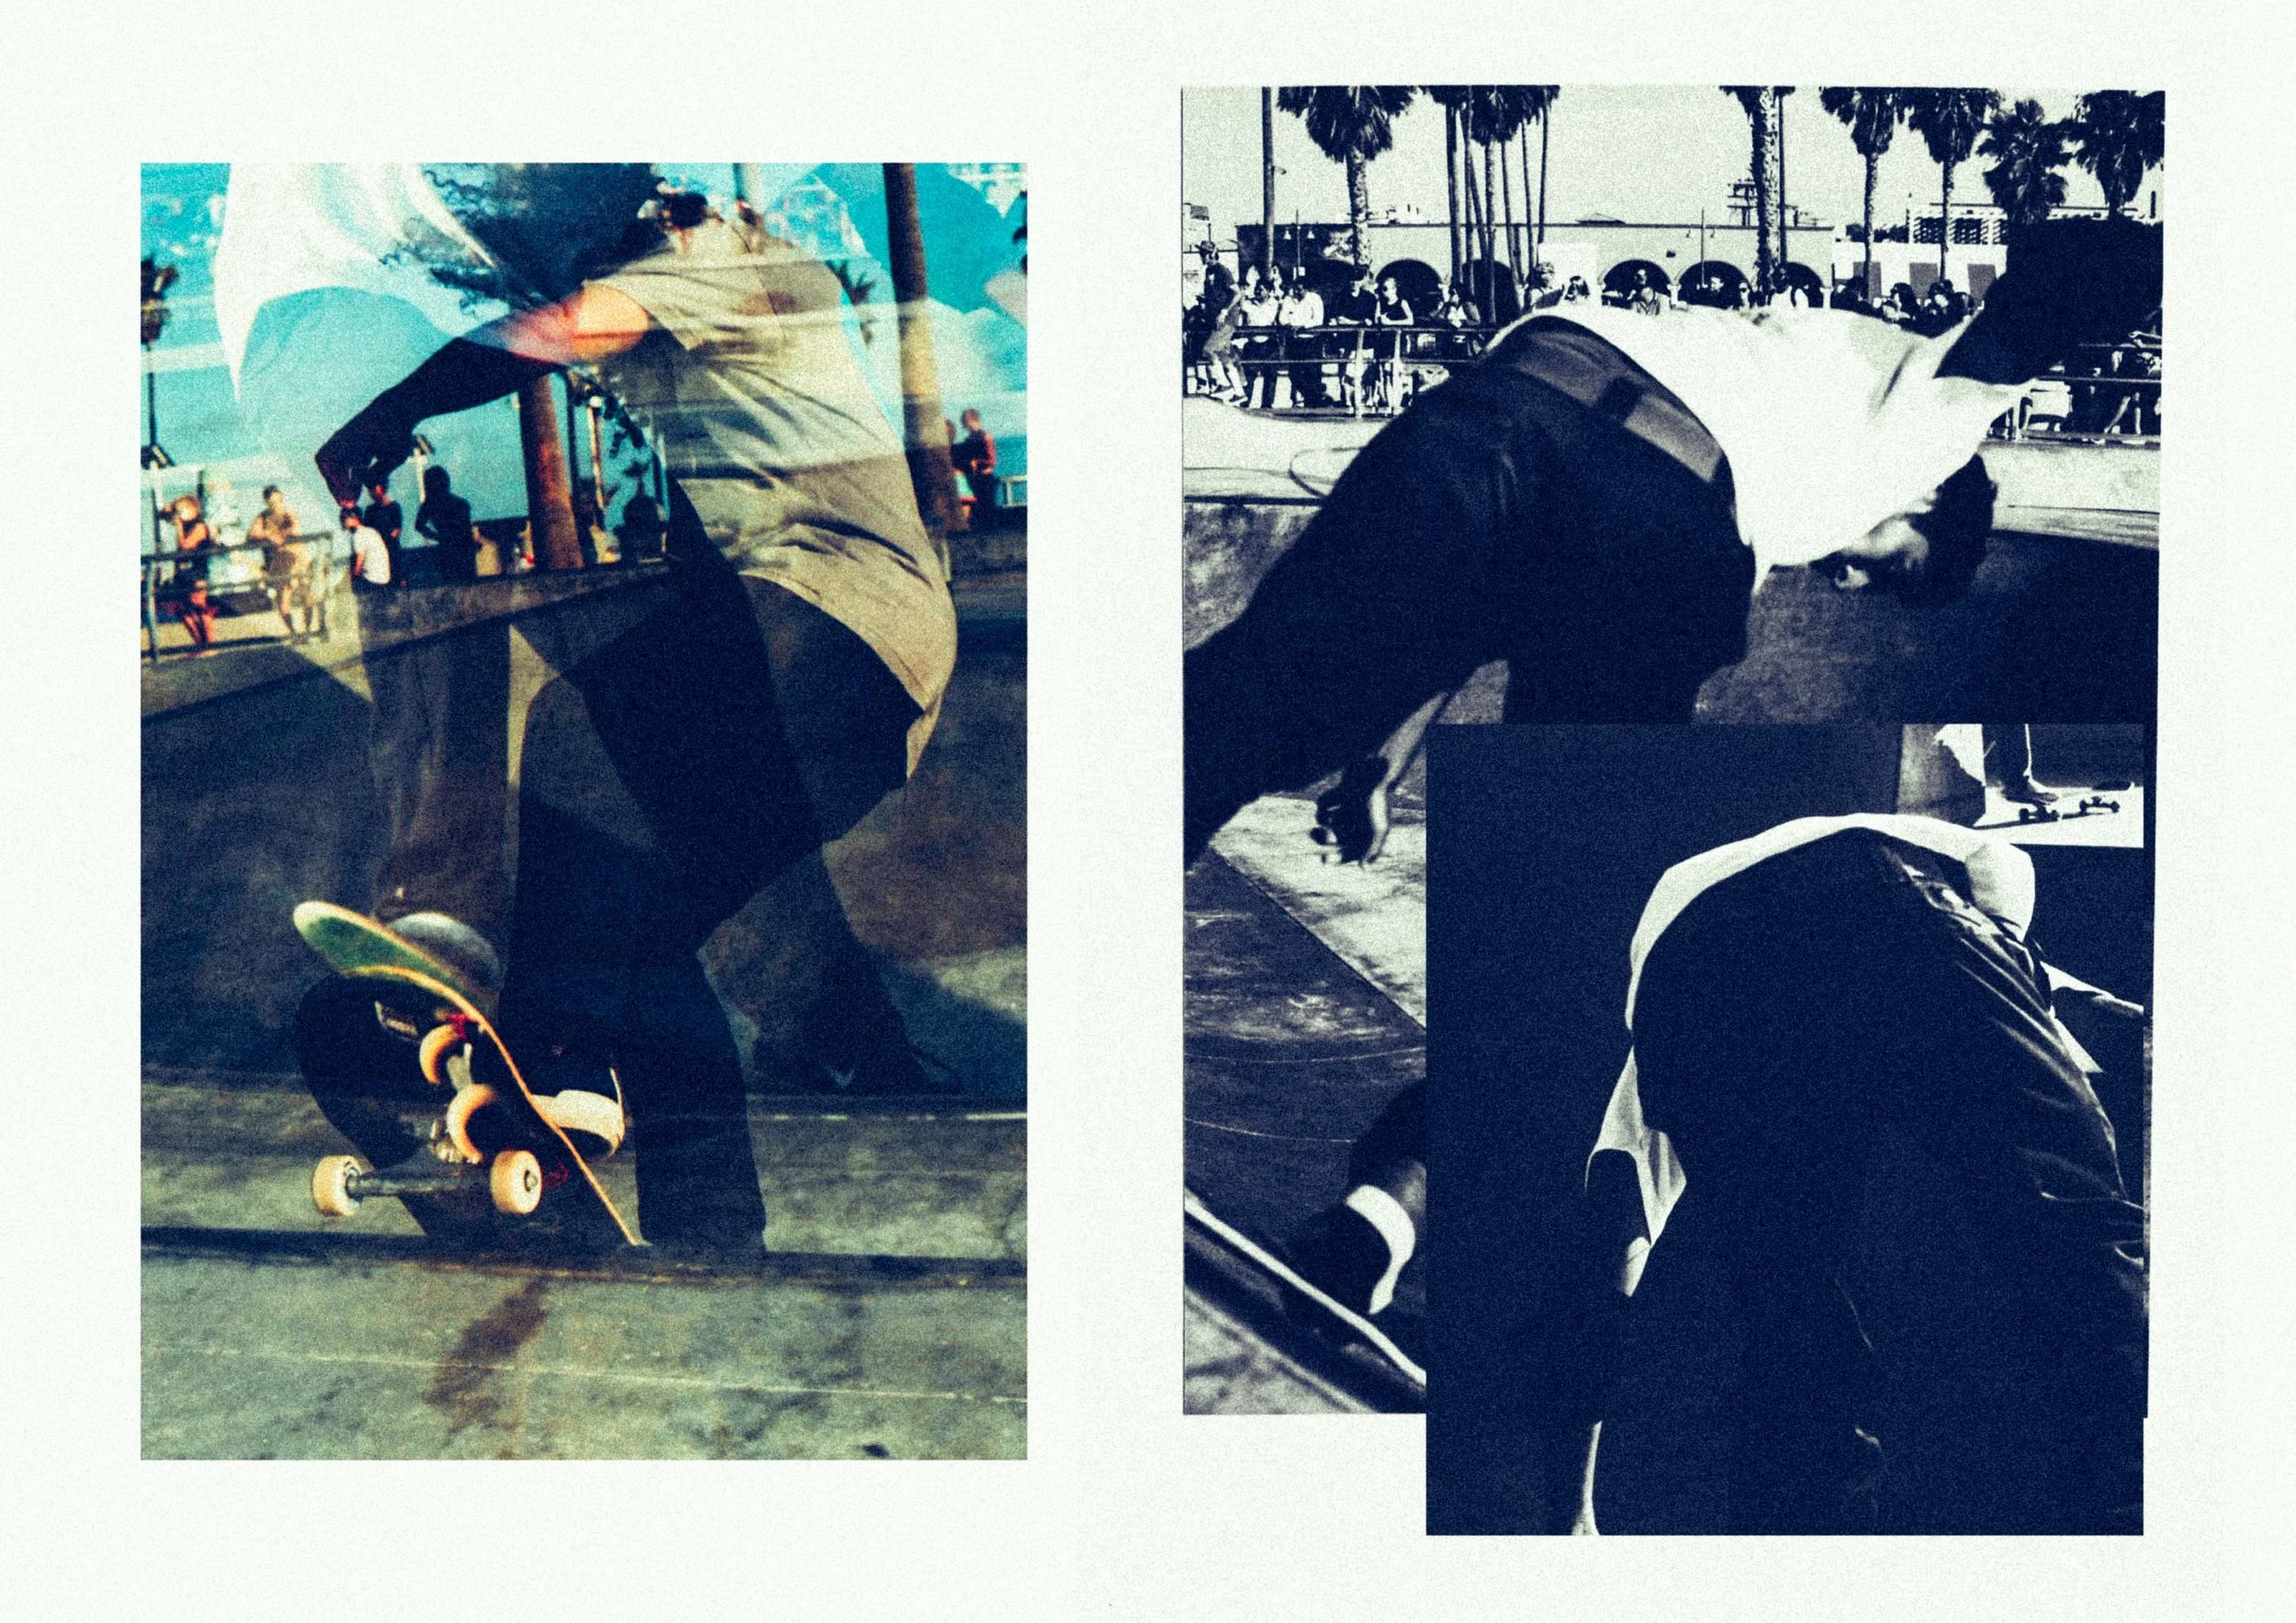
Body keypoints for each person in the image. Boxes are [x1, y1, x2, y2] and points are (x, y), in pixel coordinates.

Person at [301, 175, 960, 1257]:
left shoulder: (719, 252)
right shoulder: (695, 304)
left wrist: (393, 406)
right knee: (644, 922)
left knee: (576, 732)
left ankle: (560, 1053)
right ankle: (709, 1230)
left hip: (847, 618)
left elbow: (558, 329)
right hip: (837, 652)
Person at [1186, 215, 2165, 862]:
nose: (1847, 584)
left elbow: (1473, 611)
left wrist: (1381, 764)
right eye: (1890, 565)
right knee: (1594, 824)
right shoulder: (1947, 423)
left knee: (1259, 703)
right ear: (1927, 501)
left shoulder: (1821, 344)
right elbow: (2023, 323)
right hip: (1655, 510)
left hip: (1499, 405)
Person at [1546, 816, 2145, 1534]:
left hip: (1686, 975)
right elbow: (1999, 873)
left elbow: (1606, 1265)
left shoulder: (1654, 1073)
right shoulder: (1987, 902)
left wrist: (1570, 1514)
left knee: (1795, 1324)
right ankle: (2137, 1512)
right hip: (1870, 892)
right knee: (2073, 1226)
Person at [247, 484, 316, 641]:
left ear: (281, 498)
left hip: (297, 557)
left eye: (277, 501)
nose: (275, 505)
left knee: (306, 593)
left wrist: (274, 534)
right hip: (279, 560)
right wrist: (268, 535)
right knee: (283, 599)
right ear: (266, 502)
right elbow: (251, 534)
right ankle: (294, 633)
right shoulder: (263, 516)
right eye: (271, 502)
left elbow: (294, 529)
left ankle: (308, 630)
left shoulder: (288, 512)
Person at [162, 494, 218, 650]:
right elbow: (165, 516)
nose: (179, 513)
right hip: (183, 574)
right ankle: (200, 645)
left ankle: (211, 646)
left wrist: (178, 525)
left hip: (198, 573)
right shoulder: (185, 524)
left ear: (193, 510)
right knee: (183, 610)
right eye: (178, 510)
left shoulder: (199, 526)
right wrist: (168, 511)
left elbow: (185, 546)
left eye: (182, 510)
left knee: (200, 608)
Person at [413, 464, 481, 583]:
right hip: (464, 548)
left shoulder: (429, 504)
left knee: (450, 583)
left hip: (446, 549)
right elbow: (467, 529)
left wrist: (438, 537)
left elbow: (419, 526)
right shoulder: (461, 504)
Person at [952, 407, 998, 516]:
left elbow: (992, 460)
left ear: (971, 420)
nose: (965, 426)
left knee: (987, 508)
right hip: (975, 477)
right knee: (979, 510)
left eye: (965, 422)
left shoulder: (985, 436)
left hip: (985, 477)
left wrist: (975, 462)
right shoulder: (970, 439)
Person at [361, 479, 405, 584]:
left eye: (373, 488)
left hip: (392, 551)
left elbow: (397, 530)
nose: (371, 492)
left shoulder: (394, 507)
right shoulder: (369, 511)